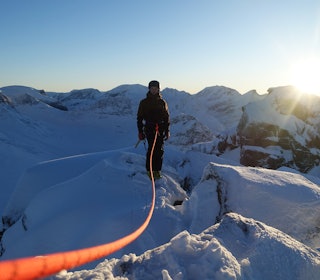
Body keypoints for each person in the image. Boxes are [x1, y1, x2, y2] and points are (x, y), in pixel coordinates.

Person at [137, 80, 170, 179]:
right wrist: (140, 131)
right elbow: (139, 118)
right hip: (149, 128)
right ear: (149, 89)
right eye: (152, 88)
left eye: (155, 89)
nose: (154, 90)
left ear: (158, 89)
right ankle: (150, 170)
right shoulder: (144, 102)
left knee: (159, 150)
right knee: (152, 149)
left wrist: (167, 130)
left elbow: (166, 118)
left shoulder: (162, 102)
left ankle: (157, 170)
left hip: (160, 128)